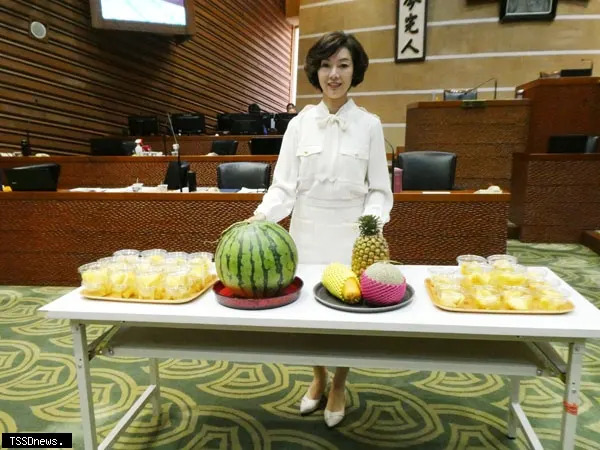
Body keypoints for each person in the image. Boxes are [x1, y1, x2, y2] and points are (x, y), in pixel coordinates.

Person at [247, 31, 393, 427]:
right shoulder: (299, 125)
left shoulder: (369, 125)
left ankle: (340, 382)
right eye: (327, 65)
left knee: (347, 314)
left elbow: (380, 190)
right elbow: (284, 186)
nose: (334, 74)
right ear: (316, 71)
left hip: (352, 236)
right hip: (307, 230)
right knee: (309, 314)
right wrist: (260, 217)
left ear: (354, 71)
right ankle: (317, 377)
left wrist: (371, 227)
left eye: (343, 65)